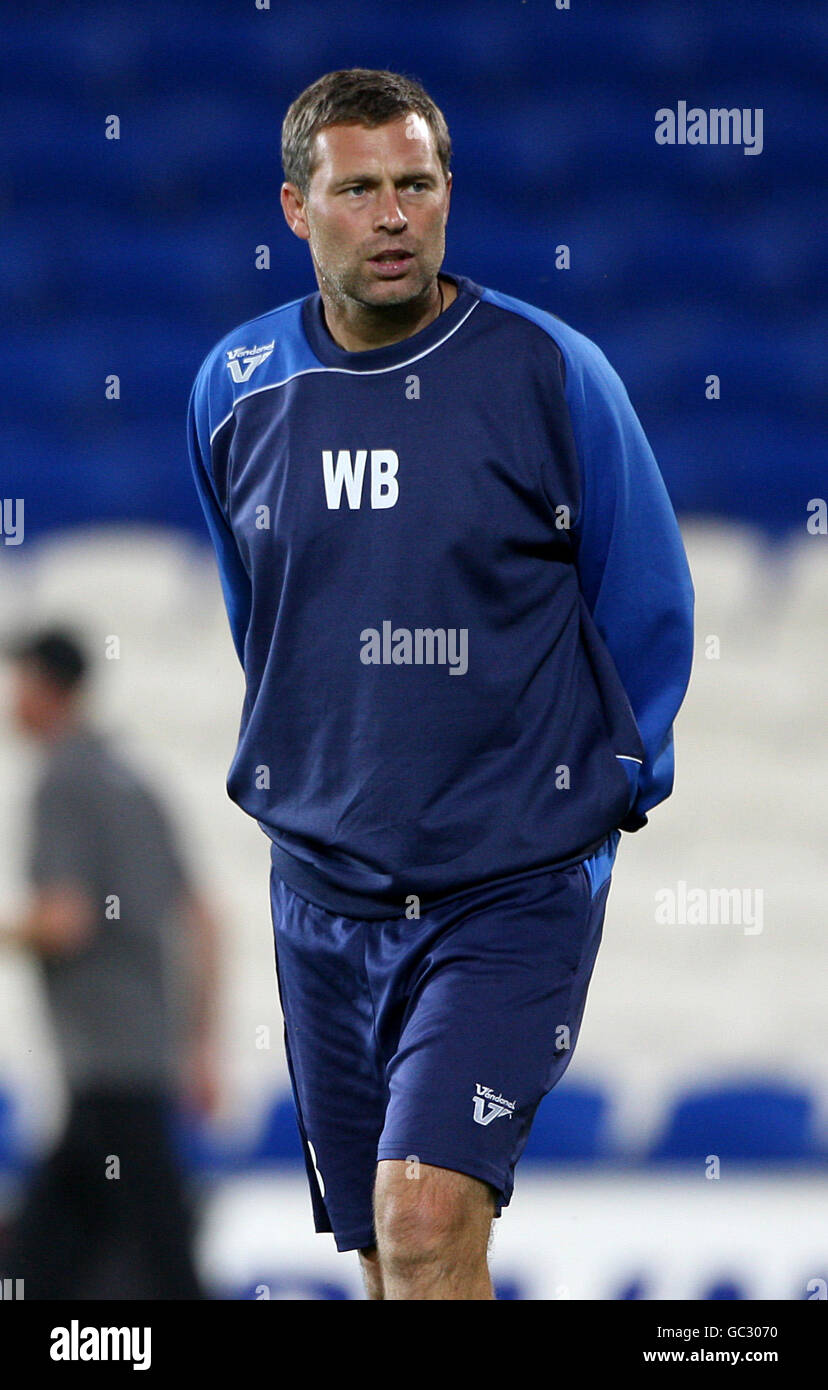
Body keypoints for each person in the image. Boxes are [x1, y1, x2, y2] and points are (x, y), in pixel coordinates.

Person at [187, 68, 695, 1300]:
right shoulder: (237, 387)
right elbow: (267, 616)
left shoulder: (549, 375)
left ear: (448, 194)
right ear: (298, 209)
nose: (395, 214)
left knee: (420, 1217)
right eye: (358, 189)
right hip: (324, 887)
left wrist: (602, 796)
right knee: (383, 1250)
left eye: (417, 185)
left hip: (505, 885)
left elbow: (648, 602)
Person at [0, 627, 220, 1299]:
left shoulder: (61, 781)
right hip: (141, 1060)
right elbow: (205, 921)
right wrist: (199, 1045)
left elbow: (66, 920)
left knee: (150, 1256)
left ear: (43, 687)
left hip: (105, 1066)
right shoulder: (134, 781)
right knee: (67, 1245)